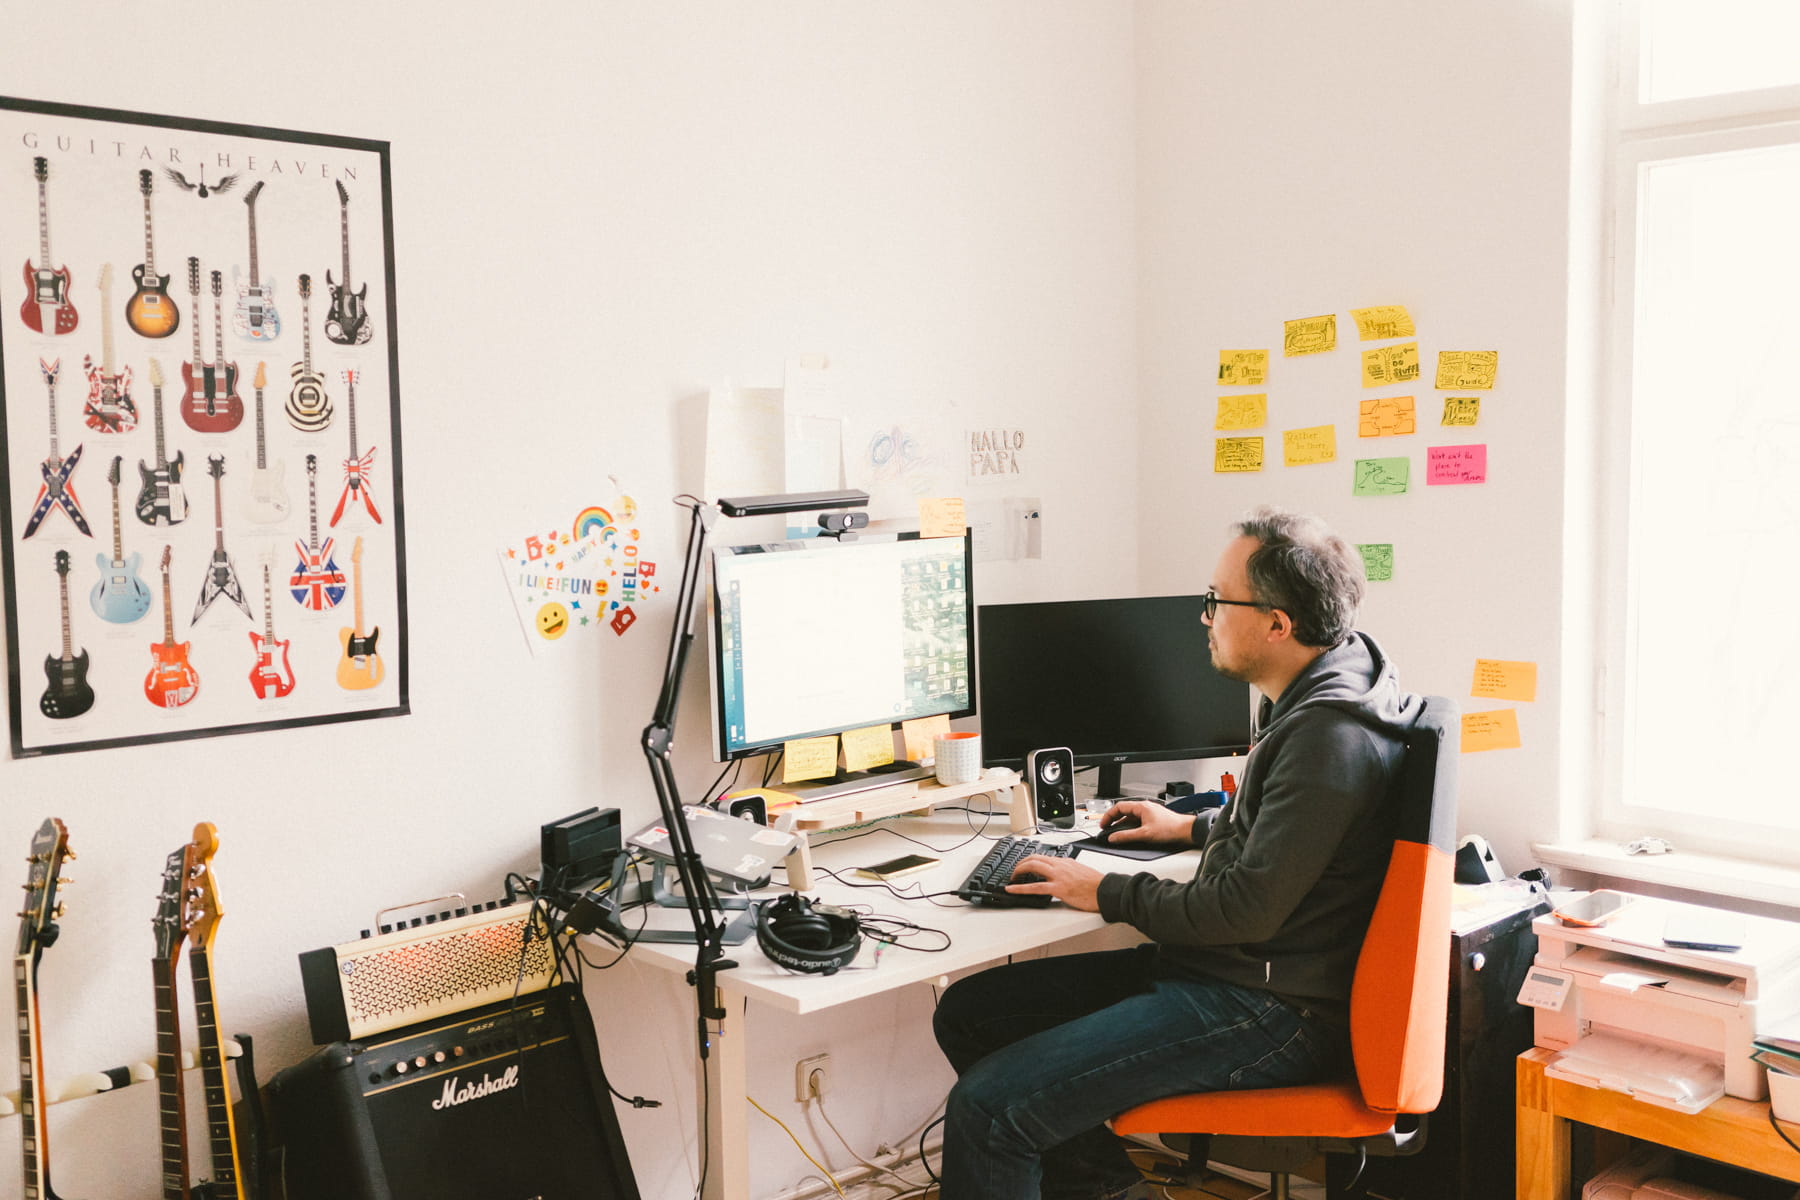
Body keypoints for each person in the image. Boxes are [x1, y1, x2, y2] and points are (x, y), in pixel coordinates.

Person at [931, 506, 1424, 1200]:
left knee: (991, 1110)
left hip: (1267, 1009)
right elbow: (1296, 834)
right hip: (1242, 974)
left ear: (1278, 624)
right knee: (970, 1010)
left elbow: (1240, 910)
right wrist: (1190, 828)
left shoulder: (1326, 739)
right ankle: (1110, 1191)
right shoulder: (1341, 681)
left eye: (1218, 602)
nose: (1205, 617)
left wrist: (1098, 889)